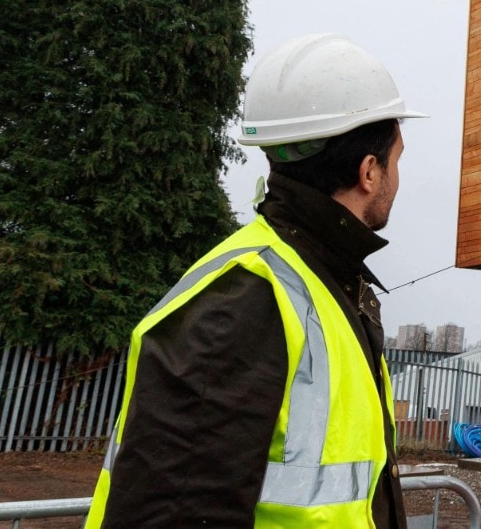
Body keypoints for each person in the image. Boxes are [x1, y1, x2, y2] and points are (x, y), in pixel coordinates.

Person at [87, 33, 426, 528]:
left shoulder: (324, 284)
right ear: (369, 171)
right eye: (397, 158)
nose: (398, 176)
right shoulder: (244, 300)